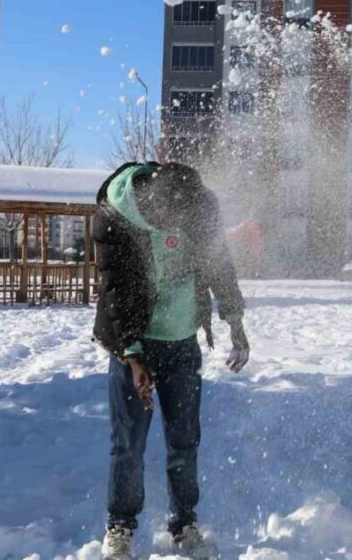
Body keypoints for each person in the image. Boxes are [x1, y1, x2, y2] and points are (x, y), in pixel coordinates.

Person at [92, 162, 250, 560]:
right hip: (135, 345)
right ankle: (120, 526)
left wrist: (234, 321)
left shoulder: (198, 207)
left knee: (184, 440)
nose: (170, 225)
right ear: (150, 202)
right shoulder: (114, 216)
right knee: (129, 443)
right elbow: (114, 290)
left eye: (178, 219)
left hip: (182, 345)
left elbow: (219, 264)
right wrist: (131, 354)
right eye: (163, 217)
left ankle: (184, 522)